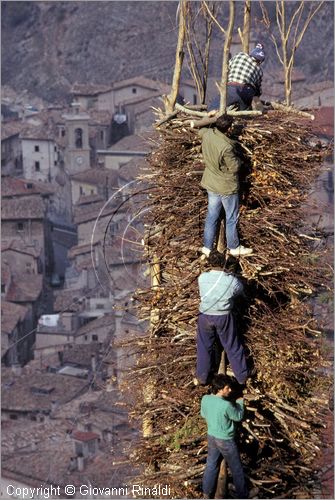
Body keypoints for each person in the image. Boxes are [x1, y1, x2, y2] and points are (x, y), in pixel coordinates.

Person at [199, 114, 253, 257]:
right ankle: (234, 247)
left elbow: (200, 130)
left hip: (211, 183)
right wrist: (243, 161)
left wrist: (207, 117)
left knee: (212, 216)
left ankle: (207, 247)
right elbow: (234, 167)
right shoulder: (226, 147)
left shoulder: (208, 134)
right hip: (226, 187)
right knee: (231, 217)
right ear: (228, 129)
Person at [196, 250, 249, 386]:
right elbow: (240, 290)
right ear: (223, 263)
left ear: (209, 263)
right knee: (232, 346)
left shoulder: (202, 278)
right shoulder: (230, 280)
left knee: (204, 346)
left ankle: (202, 377)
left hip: (205, 316)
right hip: (223, 316)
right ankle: (242, 376)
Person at [201, 373, 249, 499]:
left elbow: (203, 414)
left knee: (211, 464)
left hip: (211, 435)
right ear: (220, 389)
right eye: (228, 388)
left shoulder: (205, 399)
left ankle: (206, 493)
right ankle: (242, 495)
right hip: (226, 440)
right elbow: (238, 416)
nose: (230, 390)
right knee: (236, 468)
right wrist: (240, 403)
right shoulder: (226, 405)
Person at [209, 43, 265, 112]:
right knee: (242, 112)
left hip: (232, 88)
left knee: (213, 106)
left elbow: (228, 67)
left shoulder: (240, 55)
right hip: (248, 93)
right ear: (260, 61)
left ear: (251, 54)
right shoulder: (259, 71)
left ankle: (216, 112)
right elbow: (258, 91)